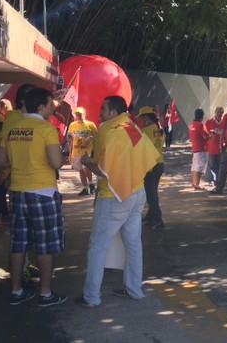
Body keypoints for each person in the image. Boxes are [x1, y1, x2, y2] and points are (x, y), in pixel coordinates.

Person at [77, 96, 159, 308]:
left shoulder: (108, 131)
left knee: (97, 247)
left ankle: (91, 296)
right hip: (137, 193)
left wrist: (86, 161)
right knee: (133, 244)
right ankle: (135, 290)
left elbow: (103, 170)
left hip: (113, 197)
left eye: (103, 109)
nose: (100, 112)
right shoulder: (134, 128)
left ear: (113, 113)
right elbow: (150, 162)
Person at [0, 88, 68, 306]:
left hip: (17, 192)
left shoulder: (12, 129)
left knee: (18, 244)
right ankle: (45, 293)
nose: (52, 109)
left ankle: (16, 291)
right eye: (50, 105)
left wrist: (21, 162)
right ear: (41, 107)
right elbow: (56, 163)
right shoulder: (46, 130)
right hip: (43, 193)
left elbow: (1, 161)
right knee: (45, 245)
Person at [137, 106, 166, 229]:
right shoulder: (158, 128)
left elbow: (144, 149)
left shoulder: (146, 130)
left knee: (150, 193)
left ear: (146, 117)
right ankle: (150, 215)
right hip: (159, 163)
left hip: (150, 165)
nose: (140, 120)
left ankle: (158, 219)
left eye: (141, 118)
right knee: (153, 192)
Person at [67, 107, 98, 196]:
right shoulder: (72, 125)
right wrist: (69, 138)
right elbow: (70, 135)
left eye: (80, 114)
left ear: (84, 114)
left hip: (86, 151)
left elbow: (97, 136)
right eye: (77, 114)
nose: (78, 116)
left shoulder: (90, 124)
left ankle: (91, 183)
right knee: (80, 170)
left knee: (86, 168)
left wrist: (90, 138)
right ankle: (85, 188)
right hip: (76, 151)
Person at [189, 108, 209, 190]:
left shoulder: (191, 124)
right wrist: (211, 135)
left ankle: (194, 183)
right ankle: (197, 184)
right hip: (202, 148)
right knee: (200, 167)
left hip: (195, 147)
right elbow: (205, 136)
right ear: (202, 116)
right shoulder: (200, 125)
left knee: (194, 166)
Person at [205, 106, 224, 187]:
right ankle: (212, 180)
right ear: (215, 112)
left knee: (220, 165)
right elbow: (205, 133)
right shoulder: (209, 121)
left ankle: (219, 180)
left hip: (221, 147)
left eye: (221, 112)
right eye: (218, 112)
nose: (219, 114)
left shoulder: (224, 122)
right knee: (211, 165)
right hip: (211, 147)